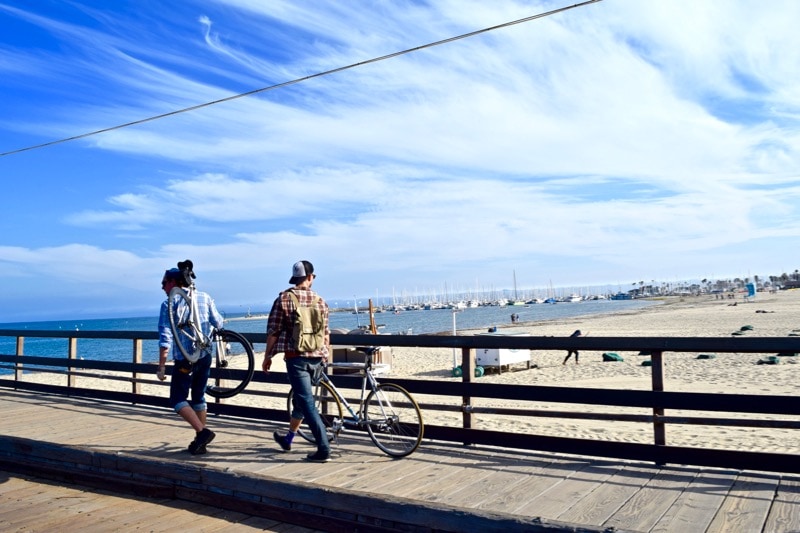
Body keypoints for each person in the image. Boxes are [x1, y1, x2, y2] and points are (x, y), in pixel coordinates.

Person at [264, 260, 332, 463]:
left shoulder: (284, 299)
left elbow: (273, 331)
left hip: (296, 358)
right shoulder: (320, 301)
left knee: (306, 402)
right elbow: (326, 333)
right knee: (302, 400)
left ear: (295, 278)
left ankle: (323, 447)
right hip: (318, 357)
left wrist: (268, 356)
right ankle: (289, 438)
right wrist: (326, 355)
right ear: (311, 277)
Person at [157, 260, 223, 455]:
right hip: (204, 355)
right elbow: (218, 322)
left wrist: (161, 366)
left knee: (177, 398)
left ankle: (202, 433)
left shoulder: (169, 303)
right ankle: (200, 442)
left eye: (164, 283)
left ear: (173, 283)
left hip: (185, 359)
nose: (162, 287)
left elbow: (165, 336)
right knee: (198, 397)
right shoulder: (204, 297)